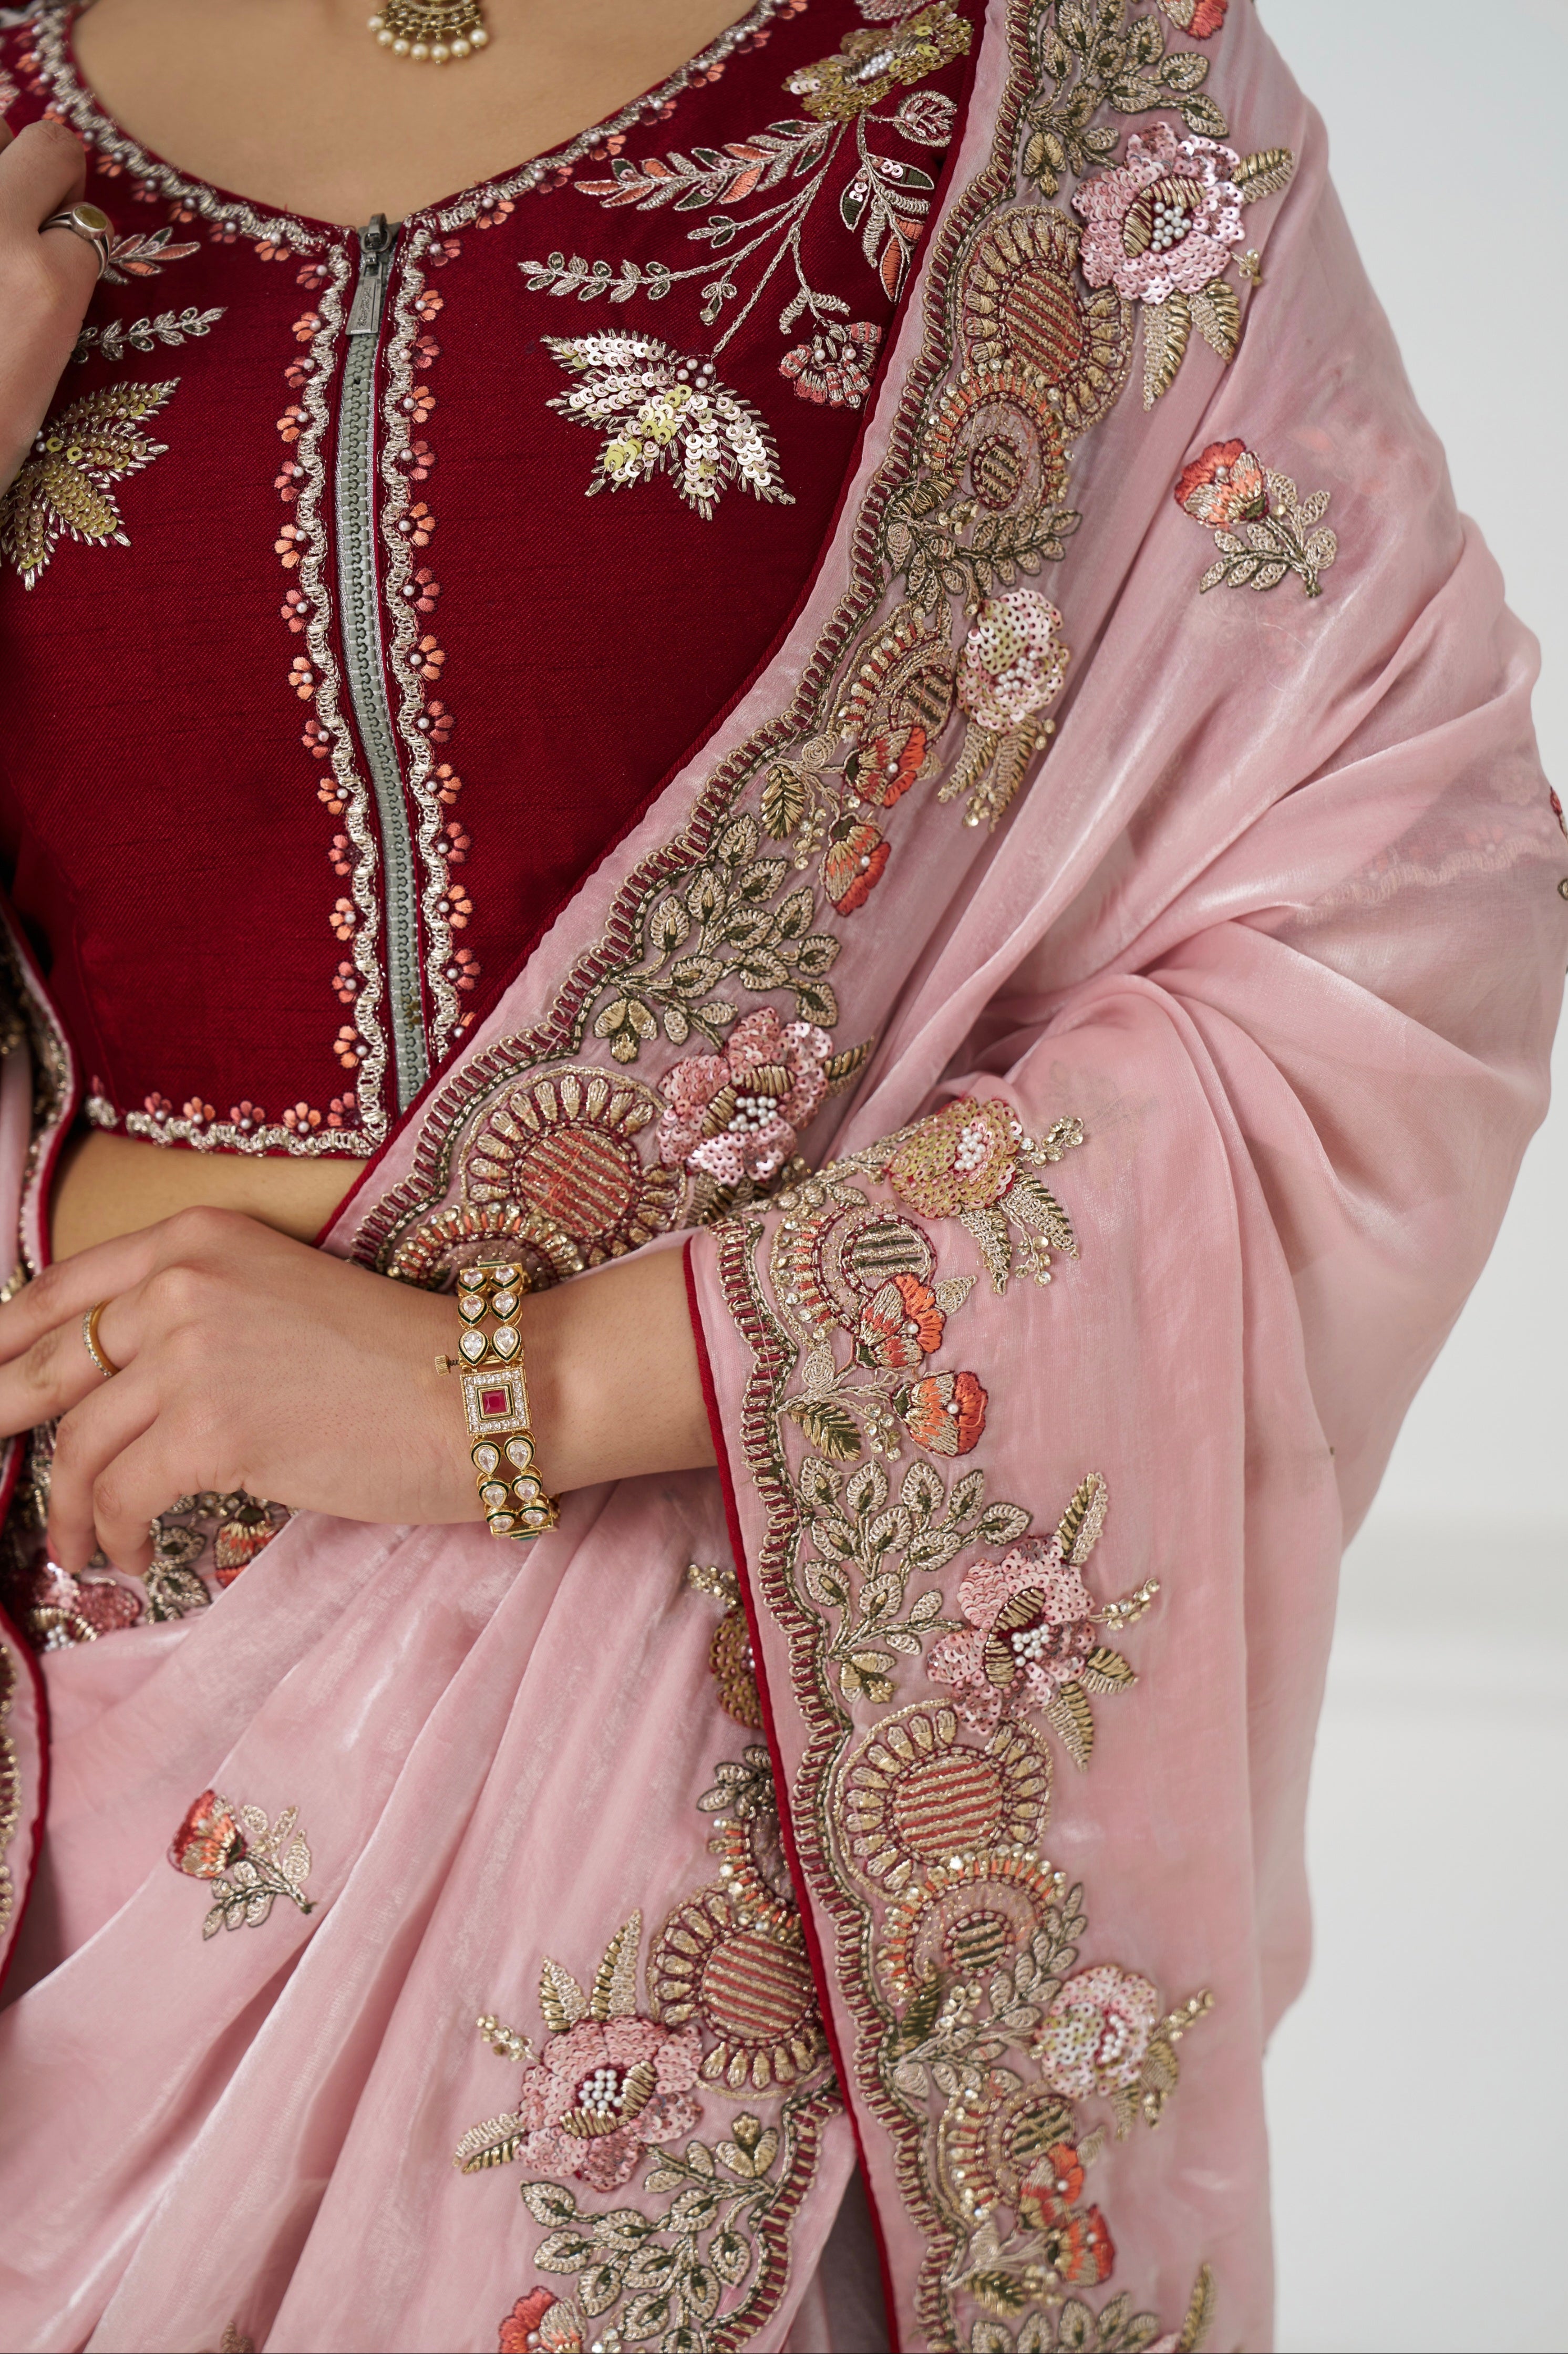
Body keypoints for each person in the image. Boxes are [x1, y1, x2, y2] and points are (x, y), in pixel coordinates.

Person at [0, 0, 1559, 2345]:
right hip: (71, 1747)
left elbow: (1402, 914)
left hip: (692, 1764)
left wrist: (502, 1393)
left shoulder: (1057, 92)